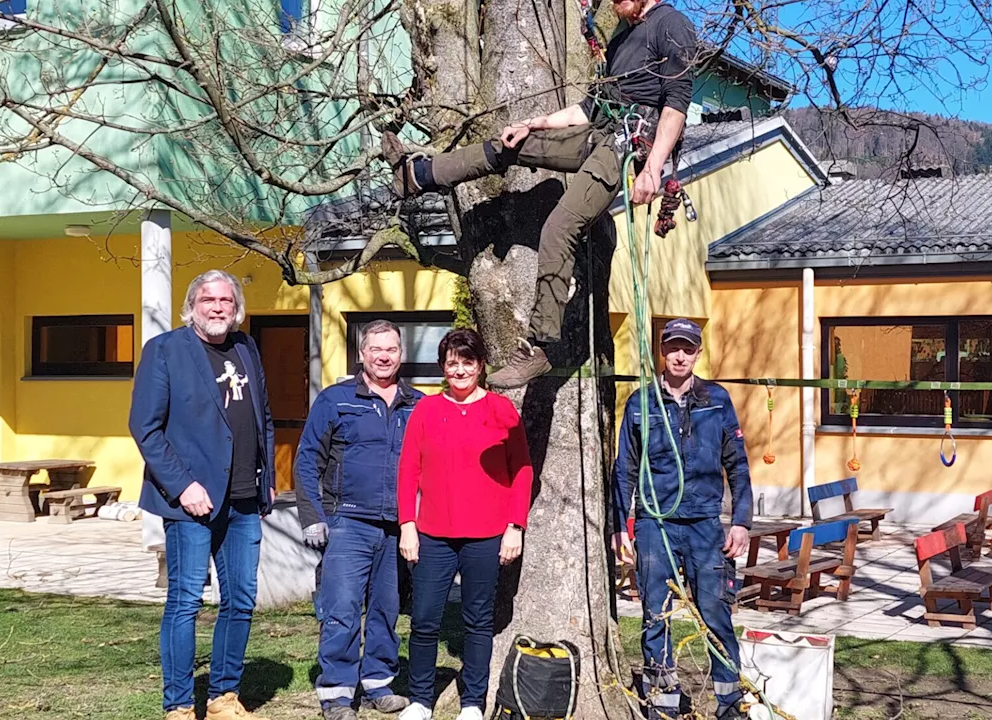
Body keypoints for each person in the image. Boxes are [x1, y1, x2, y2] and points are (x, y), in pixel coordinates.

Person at [381, 0, 699, 389]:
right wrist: (534, 124)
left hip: (624, 146)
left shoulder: (672, 25)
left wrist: (651, 168)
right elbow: (590, 108)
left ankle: (539, 346)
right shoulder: (622, 36)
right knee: (509, 145)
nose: (615, 3)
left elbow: (676, 106)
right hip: (598, 132)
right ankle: (416, 175)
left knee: (559, 227)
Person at [129, 269, 277, 720]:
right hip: (192, 501)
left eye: (226, 301)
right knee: (186, 601)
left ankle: (224, 697)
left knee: (240, 600)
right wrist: (182, 485)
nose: (217, 308)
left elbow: (263, 417)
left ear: (237, 309)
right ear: (192, 304)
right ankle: (177, 704)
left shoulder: (246, 347)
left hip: (244, 499)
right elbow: (146, 428)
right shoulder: (166, 351)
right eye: (208, 300)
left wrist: (267, 473)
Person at [612, 318, 752, 720]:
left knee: (715, 614)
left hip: (705, 526)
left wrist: (740, 520)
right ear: (662, 350)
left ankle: (729, 703)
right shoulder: (641, 402)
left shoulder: (717, 399)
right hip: (657, 524)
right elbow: (624, 468)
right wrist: (620, 525)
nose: (679, 355)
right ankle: (663, 705)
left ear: (698, 352)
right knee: (657, 616)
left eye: (687, 348)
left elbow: (737, 465)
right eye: (673, 347)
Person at [395, 328, 534, 720]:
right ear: (443, 367)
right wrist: (408, 523)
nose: (459, 370)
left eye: (467, 362)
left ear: (481, 365)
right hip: (434, 534)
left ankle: (473, 702)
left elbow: (521, 471)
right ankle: (420, 699)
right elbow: (408, 470)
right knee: (423, 619)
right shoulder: (425, 410)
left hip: (487, 535)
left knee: (477, 621)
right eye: (451, 363)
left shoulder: (501, 411)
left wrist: (515, 526)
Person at [295, 320, 423, 720]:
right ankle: (336, 692)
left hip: (397, 527)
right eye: (376, 349)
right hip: (348, 523)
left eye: (391, 350)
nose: (384, 356)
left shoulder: (418, 405)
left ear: (401, 355)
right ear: (362, 354)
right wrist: (313, 517)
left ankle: (378, 684)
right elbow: (306, 460)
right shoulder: (336, 400)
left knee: (387, 607)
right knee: (342, 608)